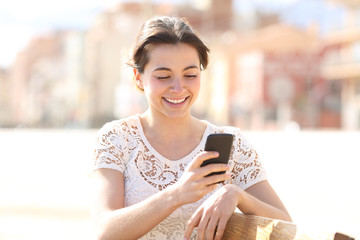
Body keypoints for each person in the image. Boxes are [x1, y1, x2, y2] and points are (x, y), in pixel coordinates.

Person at [91, 16, 291, 240]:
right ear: (139, 78)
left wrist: (237, 195)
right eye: (164, 76)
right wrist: (176, 194)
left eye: (190, 75)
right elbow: (103, 231)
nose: (178, 88)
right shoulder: (117, 138)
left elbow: (285, 227)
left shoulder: (230, 143)